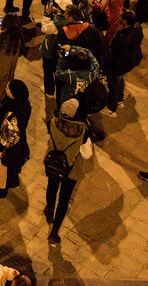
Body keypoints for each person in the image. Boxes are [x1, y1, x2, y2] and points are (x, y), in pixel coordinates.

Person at [44, 98, 90, 245]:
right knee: (64, 199)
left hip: (54, 162)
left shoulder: (52, 123)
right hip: (71, 168)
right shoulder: (82, 130)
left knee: (52, 187)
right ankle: (54, 232)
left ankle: (49, 211)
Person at [0, 79, 31, 195]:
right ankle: (11, 182)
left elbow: (8, 134)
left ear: (14, 93)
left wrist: (0, 149)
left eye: (8, 88)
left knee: (2, 167)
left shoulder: (12, 112)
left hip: (8, 146)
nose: (6, 89)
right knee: (10, 167)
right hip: (19, 142)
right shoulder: (24, 104)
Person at [103, 11, 143, 116]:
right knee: (119, 81)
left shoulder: (123, 38)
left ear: (125, 21)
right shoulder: (137, 28)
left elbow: (116, 53)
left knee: (113, 85)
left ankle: (111, 108)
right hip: (129, 63)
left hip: (118, 65)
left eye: (121, 17)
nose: (119, 17)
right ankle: (120, 99)